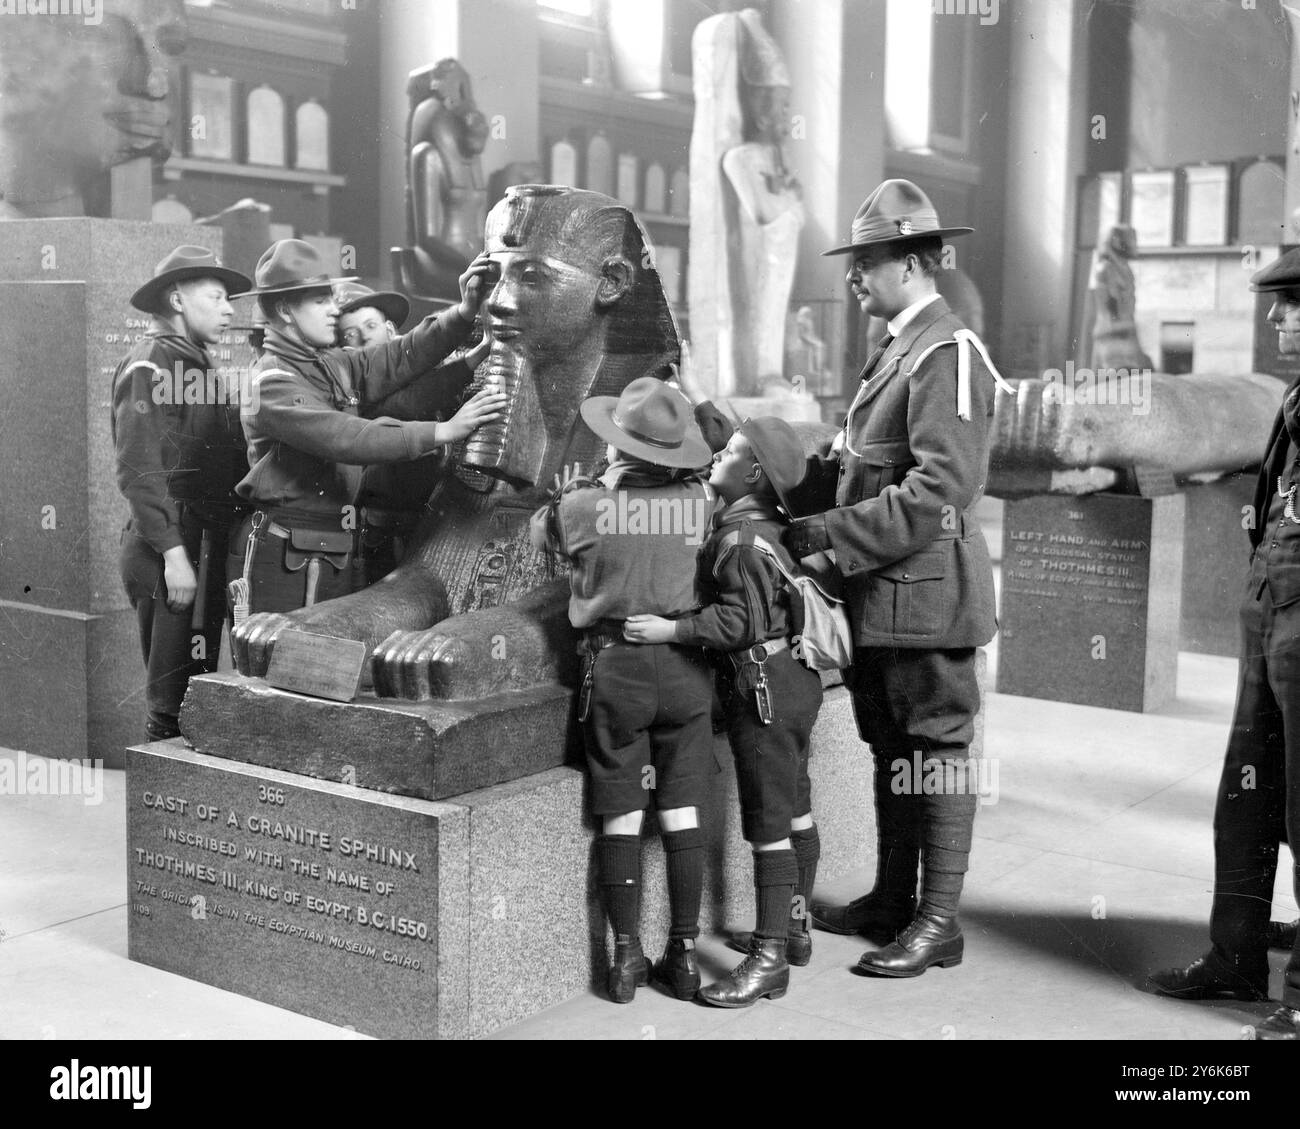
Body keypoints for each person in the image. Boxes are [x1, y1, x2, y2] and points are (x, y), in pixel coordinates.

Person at [784, 179, 1010, 978]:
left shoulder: (947, 353)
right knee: (893, 748)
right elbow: (863, 465)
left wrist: (821, 534)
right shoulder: (900, 349)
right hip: (885, 595)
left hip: (928, 599)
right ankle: (892, 898)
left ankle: (938, 922)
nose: (854, 276)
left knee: (938, 749)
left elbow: (937, 494)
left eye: (868, 260)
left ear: (914, 263)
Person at [1148, 247, 1300, 1040]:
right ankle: (1234, 953)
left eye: (1293, 304)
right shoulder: (1296, 398)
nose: (1278, 317)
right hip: (1271, 614)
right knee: (1246, 799)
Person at [530, 377, 717, 1004]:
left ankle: (624, 958)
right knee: (683, 809)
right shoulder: (699, 501)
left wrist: (595, 484)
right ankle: (685, 956)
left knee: (622, 812)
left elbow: (543, 538)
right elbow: (714, 450)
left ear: (620, 448)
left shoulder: (585, 505)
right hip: (686, 670)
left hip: (615, 670)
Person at [626, 415, 823, 1007]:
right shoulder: (769, 526)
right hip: (794, 681)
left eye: (731, 452)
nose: (717, 456)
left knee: (766, 826)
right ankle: (794, 929)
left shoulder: (737, 543)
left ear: (755, 472)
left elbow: (739, 623)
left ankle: (768, 961)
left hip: (760, 686)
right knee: (794, 807)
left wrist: (672, 628)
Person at [228, 239, 505, 615]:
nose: (333, 310)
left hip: (332, 544)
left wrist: (463, 314)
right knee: (278, 666)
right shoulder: (271, 383)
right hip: (286, 551)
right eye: (319, 301)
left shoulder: (331, 364)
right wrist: (442, 432)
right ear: (284, 310)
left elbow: (400, 355)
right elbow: (346, 436)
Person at [112, 245, 252, 741]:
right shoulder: (152, 362)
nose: (230, 308)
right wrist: (174, 555)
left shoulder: (192, 363)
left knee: (193, 695)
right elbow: (139, 469)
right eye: (216, 297)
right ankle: (158, 813)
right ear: (176, 299)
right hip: (167, 551)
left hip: (198, 546)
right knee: (171, 707)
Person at [333, 281, 490, 586]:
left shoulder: (423, 368)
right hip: (383, 522)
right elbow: (405, 404)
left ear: (391, 330)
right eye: (352, 334)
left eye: (371, 325)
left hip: (434, 516)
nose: (365, 337)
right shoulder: (353, 388)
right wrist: (474, 358)